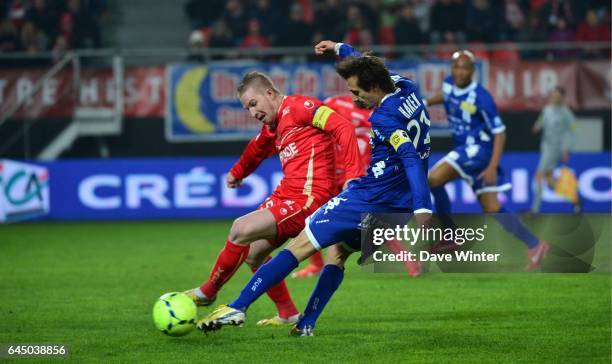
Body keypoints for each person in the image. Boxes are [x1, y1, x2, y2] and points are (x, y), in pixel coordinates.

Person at [197, 40, 433, 336]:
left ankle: (238, 306)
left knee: (300, 246)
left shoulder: (384, 119)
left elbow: (409, 155)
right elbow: (367, 65)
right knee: (337, 255)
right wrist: (341, 48)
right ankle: (305, 324)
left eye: (358, 94)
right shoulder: (405, 86)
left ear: (373, 87)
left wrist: (426, 207)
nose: (356, 101)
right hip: (399, 205)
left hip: (370, 195)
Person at [184, 71, 363, 326]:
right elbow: (256, 149)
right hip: (286, 195)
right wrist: (237, 172)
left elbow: (342, 126)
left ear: (269, 93)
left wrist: (353, 175)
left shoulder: (302, 106)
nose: (252, 113)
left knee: (240, 228)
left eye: (253, 104)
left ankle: (208, 292)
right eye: (247, 108)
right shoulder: (274, 126)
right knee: (253, 255)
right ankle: (288, 313)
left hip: (309, 197)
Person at [424, 50, 549, 270]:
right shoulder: (449, 84)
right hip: (467, 151)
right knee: (492, 208)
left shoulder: (482, 98)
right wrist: (424, 103)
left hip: (478, 151)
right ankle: (535, 244)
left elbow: (500, 132)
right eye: (456, 67)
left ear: (473, 71)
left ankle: (451, 235)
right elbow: (446, 95)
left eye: (464, 67)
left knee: (432, 180)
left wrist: (492, 166)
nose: (460, 72)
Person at [293, 94, 422, 278]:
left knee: (375, 222)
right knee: (311, 212)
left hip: (361, 175)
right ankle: (316, 265)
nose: (358, 93)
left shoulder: (381, 113)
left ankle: (410, 262)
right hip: (331, 171)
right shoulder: (335, 103)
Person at [531, 86, 579, 212]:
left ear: (562, 97)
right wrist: (537, 126)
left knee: (539, 175)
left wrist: (567, 149)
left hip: (555, 148)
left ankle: (534, 210)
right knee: (550, 180)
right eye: (553, 95)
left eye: (557, 96)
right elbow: (542, 120)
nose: (554, 98)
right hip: (545, 146)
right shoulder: (547, 109)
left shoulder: (566, 113)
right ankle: (575, 200)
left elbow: (572, 131)